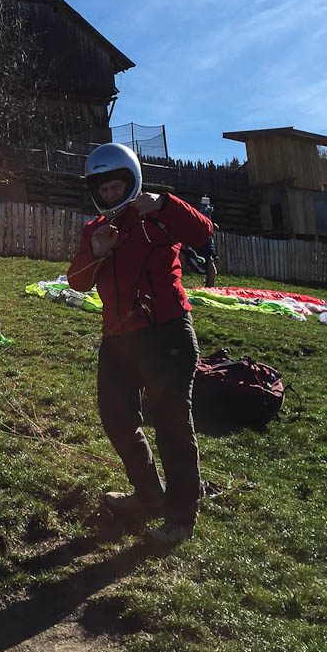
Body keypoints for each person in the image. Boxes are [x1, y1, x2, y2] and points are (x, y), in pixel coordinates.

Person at [66, 143, 213, 546]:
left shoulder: (156, 215)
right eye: (104, 189)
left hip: (167, 333)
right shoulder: (96, 230)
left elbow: (202, 233)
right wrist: (98, 251)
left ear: (132, 180)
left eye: (117, 186)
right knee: (116, 418)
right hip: (118, 339)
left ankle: (181, 516)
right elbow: (77, 282)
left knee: (171, 423)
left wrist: (165, 204)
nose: (111, 193)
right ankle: (149, 494)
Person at [196, 195, 219, 288]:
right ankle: (209, 286)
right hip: (206, 255)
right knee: (212, 271)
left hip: (205, 254)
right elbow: (209, 247)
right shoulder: (207, 235)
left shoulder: (208, 236)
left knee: (211, 271)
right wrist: (212, 255)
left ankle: (208, 285)